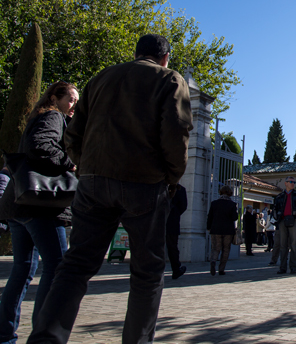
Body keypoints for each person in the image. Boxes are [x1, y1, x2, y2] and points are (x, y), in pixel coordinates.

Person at [27, 34, 193, 344]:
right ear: (165, 58)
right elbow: (176, 131)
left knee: (75, 265)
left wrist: (87, 166)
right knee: (147, 273)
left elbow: (74, 133)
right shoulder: (170, 79)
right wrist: (170, 177)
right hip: (144, 183)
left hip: (93, 183)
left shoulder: (102, 77)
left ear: (136, 53)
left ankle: (45, 339)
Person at [0, 81, 77, 344]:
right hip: (41, 206)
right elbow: (41, 146)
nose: (73, 107)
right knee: (56, 268)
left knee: (22, 269)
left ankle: (4, 334)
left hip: (19, 204)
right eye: (71, 100)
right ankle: (43, 336)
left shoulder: (38, 116)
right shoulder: (53, 116)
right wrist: (71, 163)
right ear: (55, 97)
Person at [273, 176, 296, 274]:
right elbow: (275, 209)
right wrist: (277, 218)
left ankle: (293, 267)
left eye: (294, 182)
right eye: (291, 182)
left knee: (293, 245)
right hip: (283, 221)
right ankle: (282, 267)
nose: (293, 183)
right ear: (286, 183)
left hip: (294, 221)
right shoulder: (279, 196)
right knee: (283, 245)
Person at [207, 185, 239, 275]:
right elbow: (234, 218)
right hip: (228, 230)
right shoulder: (232, 204)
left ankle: (213, 260)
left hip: (216, 229)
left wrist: (208, 227)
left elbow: (210, 217)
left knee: (215, 248)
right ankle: (221, 269)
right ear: (230, 193)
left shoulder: (214, 203)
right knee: (226, 249)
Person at [166, 184, 187, 280]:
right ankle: (176, 269)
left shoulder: (158, 185)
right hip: (172, 221)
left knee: (154, 246)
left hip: (157, 220)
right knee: (172, 247)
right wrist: (175, 213)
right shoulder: (180, 189)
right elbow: (183, 206)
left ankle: (151, 270)